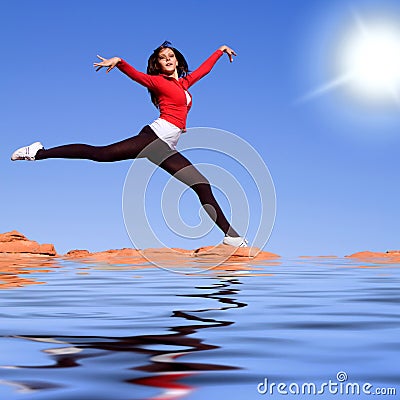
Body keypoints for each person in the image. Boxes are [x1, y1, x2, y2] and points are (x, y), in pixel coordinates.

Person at [11, 41, 248, 247]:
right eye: (162, 58)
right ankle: (37, 152)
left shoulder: (183, 84)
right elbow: (138, 77)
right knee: (100, 154)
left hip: (166, 145)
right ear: (157, 64)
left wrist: (220, 50)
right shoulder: (157, 82)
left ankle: (231, 237)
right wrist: (120, 62)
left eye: (170, 56)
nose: (167, 60)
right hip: (153, 139)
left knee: (200, 183)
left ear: (177, 60)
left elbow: (203, 71)